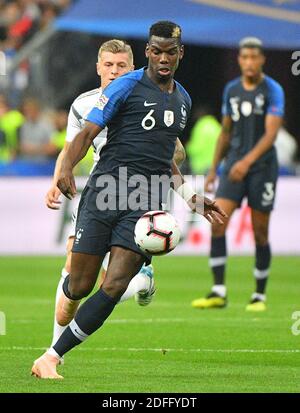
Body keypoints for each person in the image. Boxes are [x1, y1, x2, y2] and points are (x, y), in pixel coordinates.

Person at [31, 20, 225, 379]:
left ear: (180, 54)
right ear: (149, 52)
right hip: (105, 192)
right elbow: (88, 132)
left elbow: (165, 160)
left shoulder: (182, 100)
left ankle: (51, 357)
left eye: (171, 52)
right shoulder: (125, 87)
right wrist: (66, 168)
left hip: (143, 203)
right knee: (80, 285)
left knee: (115, 283)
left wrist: (191, 196)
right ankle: (71, 304)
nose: (164, 58)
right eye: (158, 51)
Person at [45, 39, 172, 353]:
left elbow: (175, 152)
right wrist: (56, 180)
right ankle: (139, 282)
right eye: (109, 65)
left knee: (109, 281)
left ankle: (54, 354)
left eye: (121, 66)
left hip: (137, 196)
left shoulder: (149, 99)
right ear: (98, 67)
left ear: (132, 68)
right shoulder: (83, 105)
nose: (114, 72)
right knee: (71, 295)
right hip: (99, 194)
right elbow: (71, 147)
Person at [191, 37, 284, 312]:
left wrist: (247, 161)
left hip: (262, 169)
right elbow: (226, 132)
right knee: (217, 222)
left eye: (254, 58)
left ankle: (259, 295)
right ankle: (218, 291)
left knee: (260, 232)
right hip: (233, 167)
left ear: (262, 60)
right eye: (244, 58)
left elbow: (271, 134)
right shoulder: (231, 90)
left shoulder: (272, 90)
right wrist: (212, 169)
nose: (249, 62)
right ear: (240, 60)